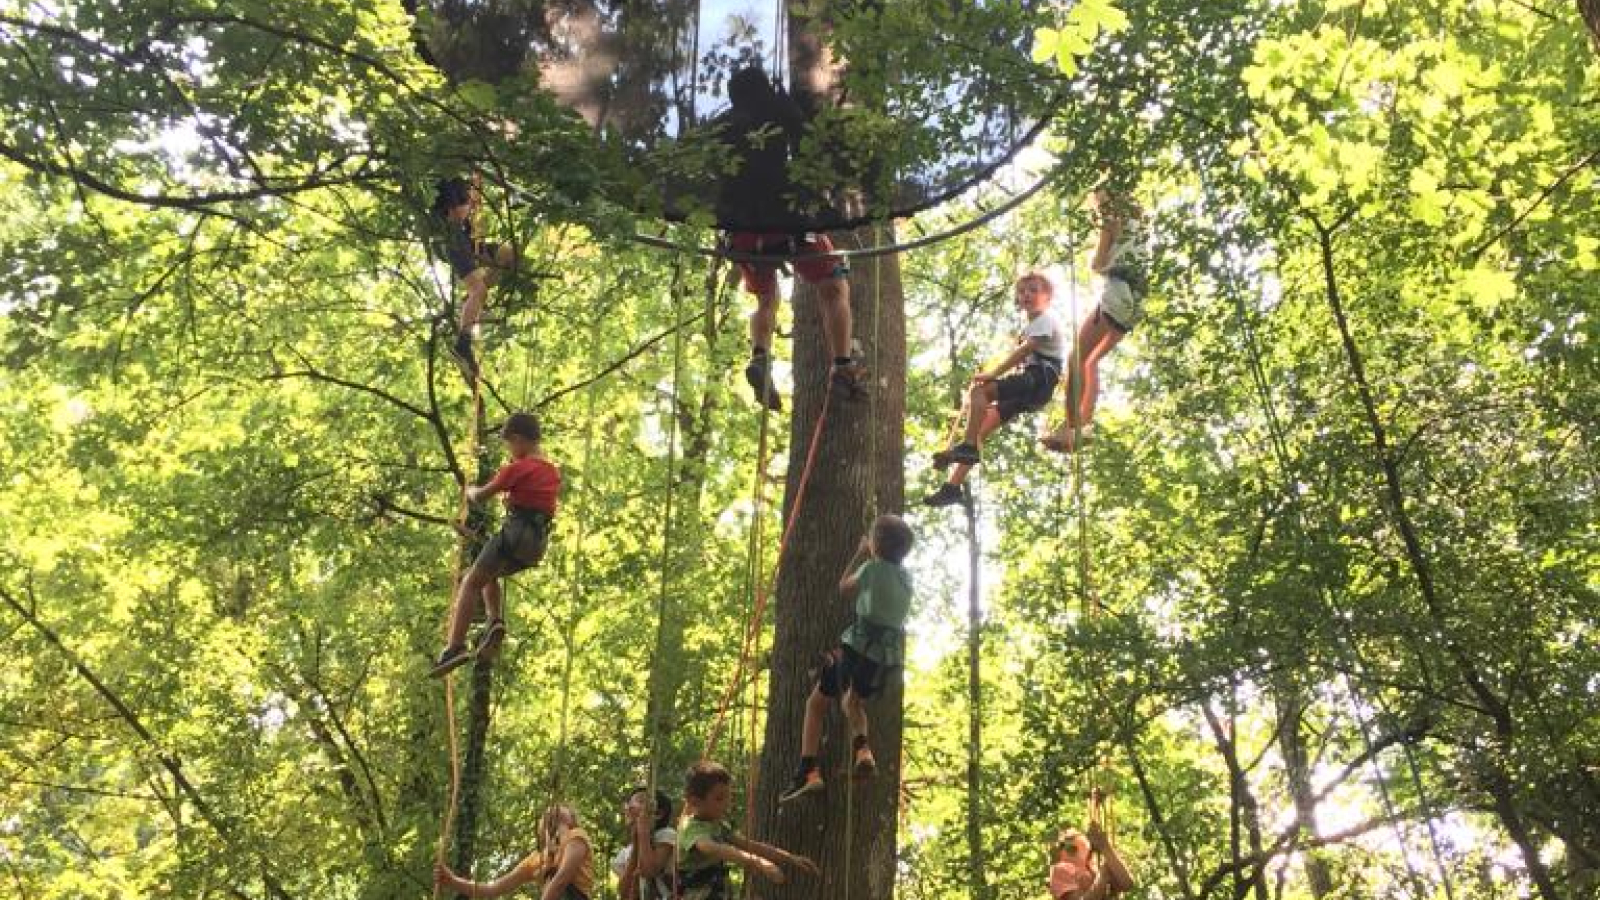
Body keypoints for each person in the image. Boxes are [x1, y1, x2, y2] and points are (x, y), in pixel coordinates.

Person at [712, 65, 866, 411]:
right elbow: (810, 145)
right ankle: (842, 365)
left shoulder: (721, 127)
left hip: (743, 233)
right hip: (790, 223)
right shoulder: (779, 110)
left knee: (766, 299)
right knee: (834, 284)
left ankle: (761, 354)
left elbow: (707, 178)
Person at [779, 514, 915, 803]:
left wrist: (858, 555)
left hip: (857, 647)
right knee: (852, 702)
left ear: (876, 545)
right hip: (886, 656)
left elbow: (843, 588)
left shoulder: (870, 569)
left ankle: (809, 771)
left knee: (816, 704)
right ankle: (863, 750)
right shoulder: (906, 577)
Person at [430, 412, 559, 678]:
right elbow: (539, 500)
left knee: (469, 583)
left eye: (510, 445)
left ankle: (454, 647)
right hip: (535, 545)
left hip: (516, 534)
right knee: (488, 574)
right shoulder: (552, 472)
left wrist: (469, 491)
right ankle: (494, 622)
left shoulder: (518, 468)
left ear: (519, 440)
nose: (510, 452)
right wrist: (514, 501)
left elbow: (482, 495)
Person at [924, 272, 1066, 507]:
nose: (1026, 295)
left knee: (980, 393)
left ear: (1048, 297)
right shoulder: (1032, 326)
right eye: (1021, 291)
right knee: (980, 426)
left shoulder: (1045, 320)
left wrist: (993, 375)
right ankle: (952, 486)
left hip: (1037, 381)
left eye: (1033, 290)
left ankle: (967, 447)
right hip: (1033, 388)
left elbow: (1023, 352)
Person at [1042, 186, 1150, 453]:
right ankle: (1084, 423)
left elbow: (1099, 262)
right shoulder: (1141, 223)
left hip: (1117, 293)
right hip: (1135, 301)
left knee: (1075, 357)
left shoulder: (1113, 216)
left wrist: (1096, 259)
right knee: (1090, 362)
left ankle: (1071, 428)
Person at [677, 761, 818, 899]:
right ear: (695, 801)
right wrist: (758, 862)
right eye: (719, 798)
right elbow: (709, 847)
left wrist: (790, 858)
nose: (727, 803)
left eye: (728, 796)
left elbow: (749, 845)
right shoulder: (691, 827)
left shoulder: (718, 825)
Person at [432, 173, 518, 377]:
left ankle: (474, 300)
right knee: (478, 291)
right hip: (452, 239)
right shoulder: (448, 186)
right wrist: (471, 201)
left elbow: (467, 210)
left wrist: (475, 194)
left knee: (510, 254)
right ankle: (463, 343)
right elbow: (457, 212)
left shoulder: (464, 182)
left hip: (466, 240)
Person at [435, 805, 594, 900]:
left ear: (572, 820)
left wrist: (562, 829)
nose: (553, 809)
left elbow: (562, 879)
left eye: (560, 809)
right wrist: (452, 881)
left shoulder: (577, 836)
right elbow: (493, 888)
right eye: (548, 814)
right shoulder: (536, 859)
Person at [611, 787, 676, 900]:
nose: (630, 806)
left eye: (640, 801)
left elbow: (648, 871)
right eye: (629, 802)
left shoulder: (666, 835)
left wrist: (643, 833)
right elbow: (624, 893)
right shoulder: (624, 853)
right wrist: (636, 844)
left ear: (658, 813)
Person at [1048, 820, 1135, 900]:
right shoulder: (1061, 869)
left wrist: (1105, 847)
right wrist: (1103, 876)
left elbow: (1127, 884)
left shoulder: (1094, 864)